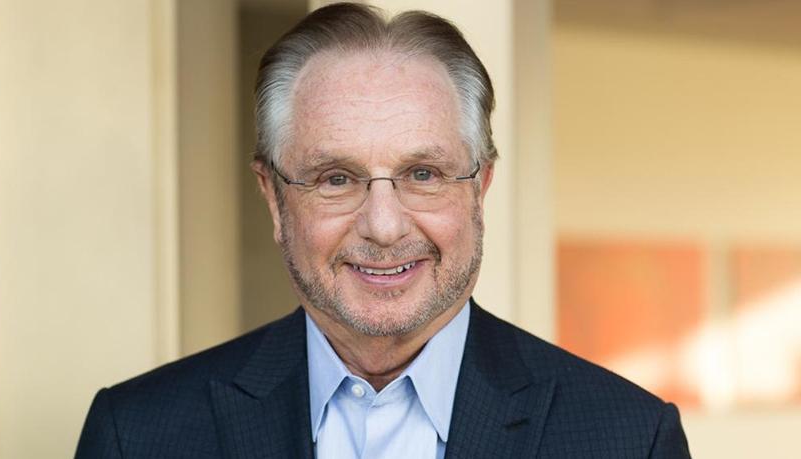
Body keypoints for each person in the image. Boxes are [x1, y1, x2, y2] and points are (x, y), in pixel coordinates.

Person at [76, 3, 691, 458]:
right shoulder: (137, 434)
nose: (384, 225)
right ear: (274, 198)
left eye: (423, 174)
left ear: (479, 188)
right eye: (336, 178)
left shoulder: (630, 439)